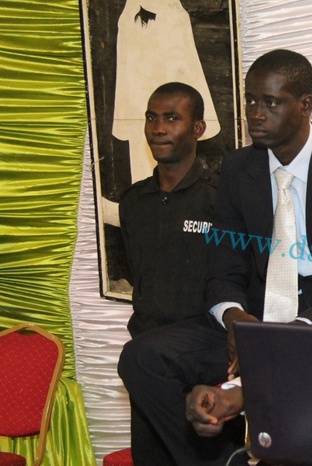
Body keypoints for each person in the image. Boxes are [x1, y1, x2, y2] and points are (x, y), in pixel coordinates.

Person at [118, 49, 312, 465]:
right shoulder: (237, 169)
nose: (255, 113)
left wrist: (301, 328)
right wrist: (234, 318)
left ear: (305, 106)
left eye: (271, 102)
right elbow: (224, 267)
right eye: (250, 100)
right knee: (143, 357)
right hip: (253, 322)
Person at [118, 81, 218, 463]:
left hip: (200, 362)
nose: (158, 128)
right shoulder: (132, 201)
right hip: (146, 363)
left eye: (172, 118)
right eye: (151, 118)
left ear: (198, 129)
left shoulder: (219, 199)